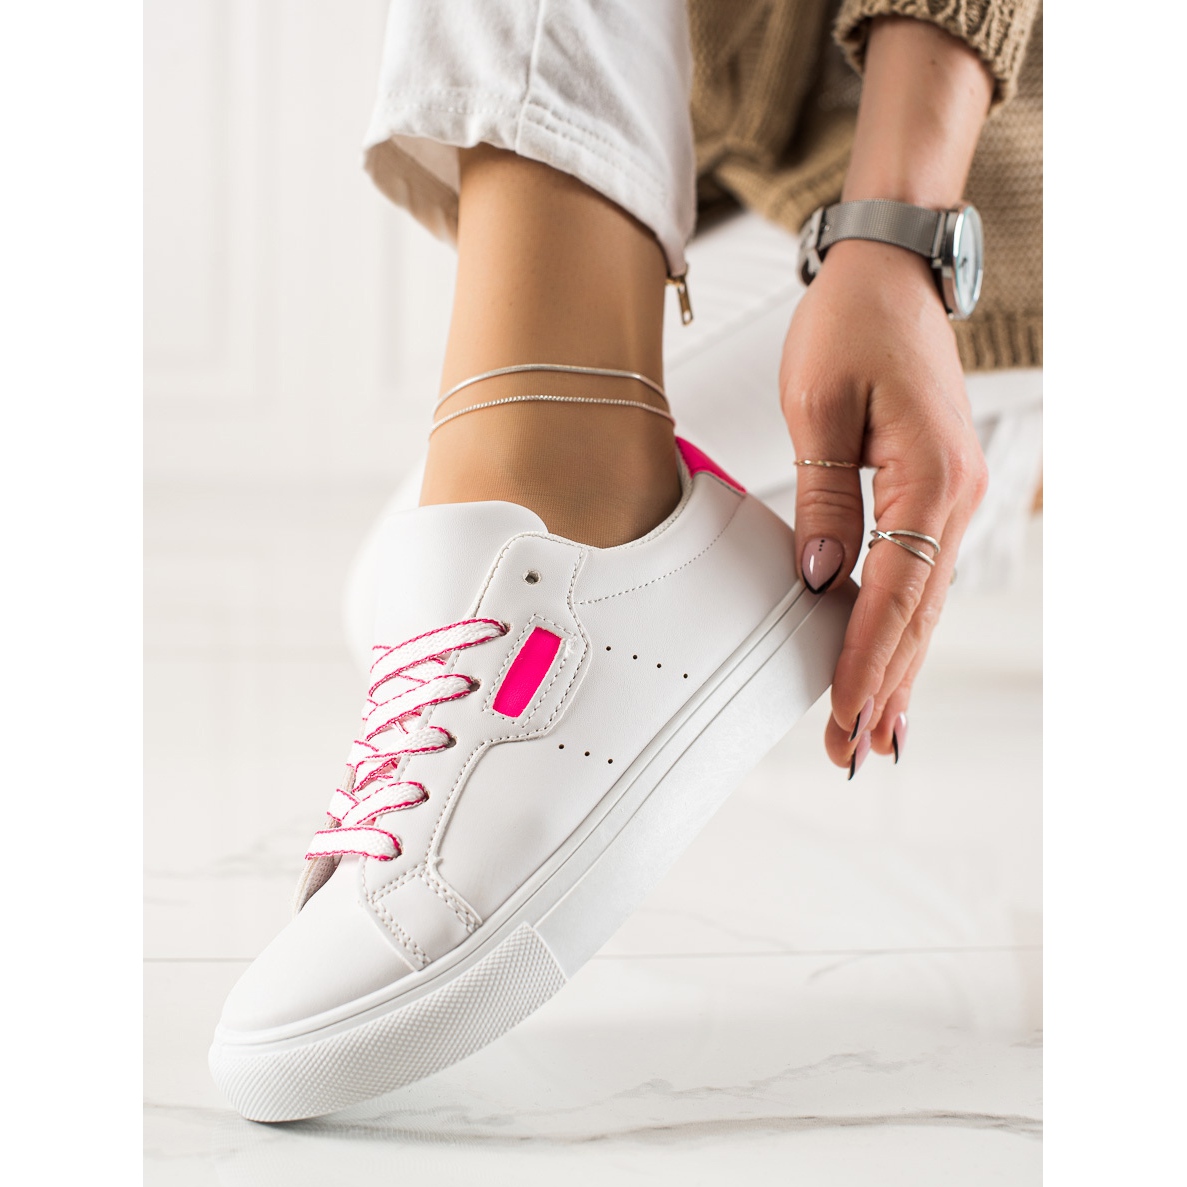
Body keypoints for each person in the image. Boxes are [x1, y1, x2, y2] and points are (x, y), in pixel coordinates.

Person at [209, 0, 1043, 1120]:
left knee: (488, 573)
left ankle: (585, 502)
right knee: (387, 601)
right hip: (769, 192)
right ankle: (1017, 454)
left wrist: (898, 234)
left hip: (972, 158)